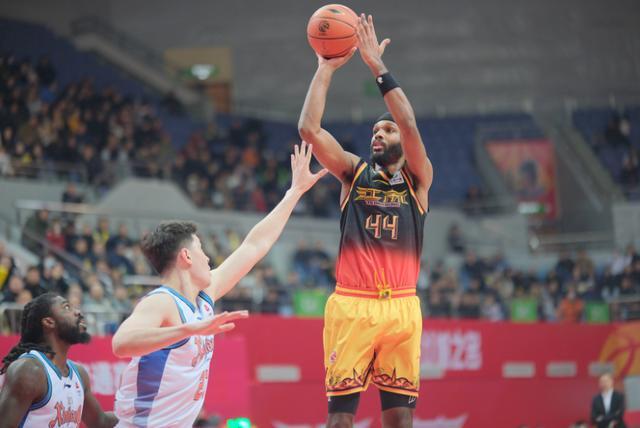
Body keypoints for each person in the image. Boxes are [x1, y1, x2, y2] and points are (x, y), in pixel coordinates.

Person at [112, 142, 327, 427]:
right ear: (186, 256)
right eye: (201, 249)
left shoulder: (205, 294)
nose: (208, 257)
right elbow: (121, 344)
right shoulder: (162, 302)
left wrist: (294, 192)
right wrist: (190, 329)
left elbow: (254, 245)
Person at [298, 13, 433, 428]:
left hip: (402, 306)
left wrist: (377, 66)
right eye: (375, 130)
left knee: (400, 420)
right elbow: (309, 129)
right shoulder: (353, 173)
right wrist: (325, 69)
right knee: (340, 419)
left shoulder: (417, 180)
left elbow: (408, 122)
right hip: (353, 304)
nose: (379, 133)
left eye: (386, 130)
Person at [0, 292, 118, 427]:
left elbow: (101, 422)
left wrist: (135, 412)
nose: (78, 312)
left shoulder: (79, 374)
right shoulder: (29, 371)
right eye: (66, 307)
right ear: (49, 322)